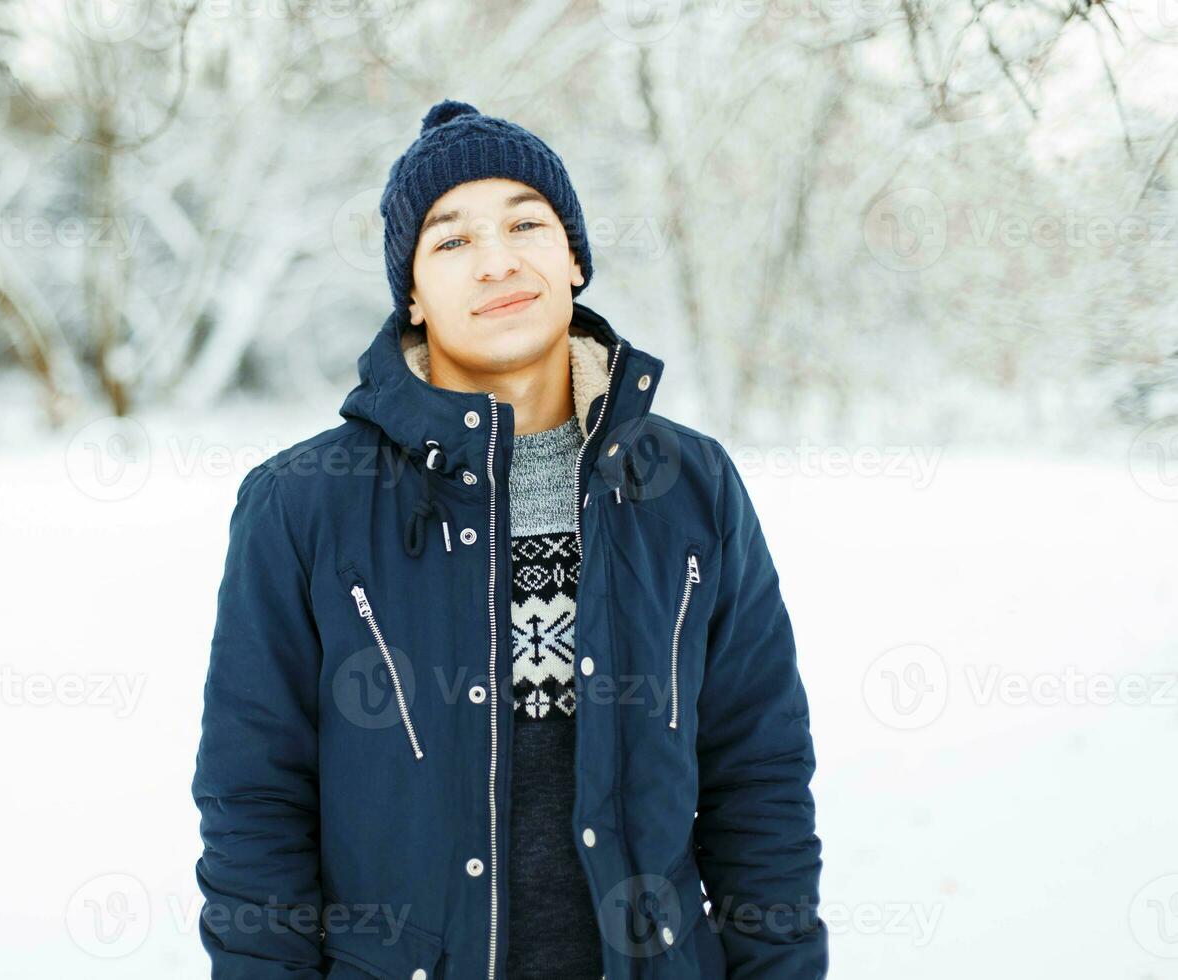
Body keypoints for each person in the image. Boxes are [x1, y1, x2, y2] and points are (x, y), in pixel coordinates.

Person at [192, 99, 828, 980]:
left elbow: (758, 778)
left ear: (572, 257)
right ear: (411, 293)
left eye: (526, 222)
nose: (497, 260)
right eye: (450, 240)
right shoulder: (301, 506)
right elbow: (254, 805)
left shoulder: (693, 485)